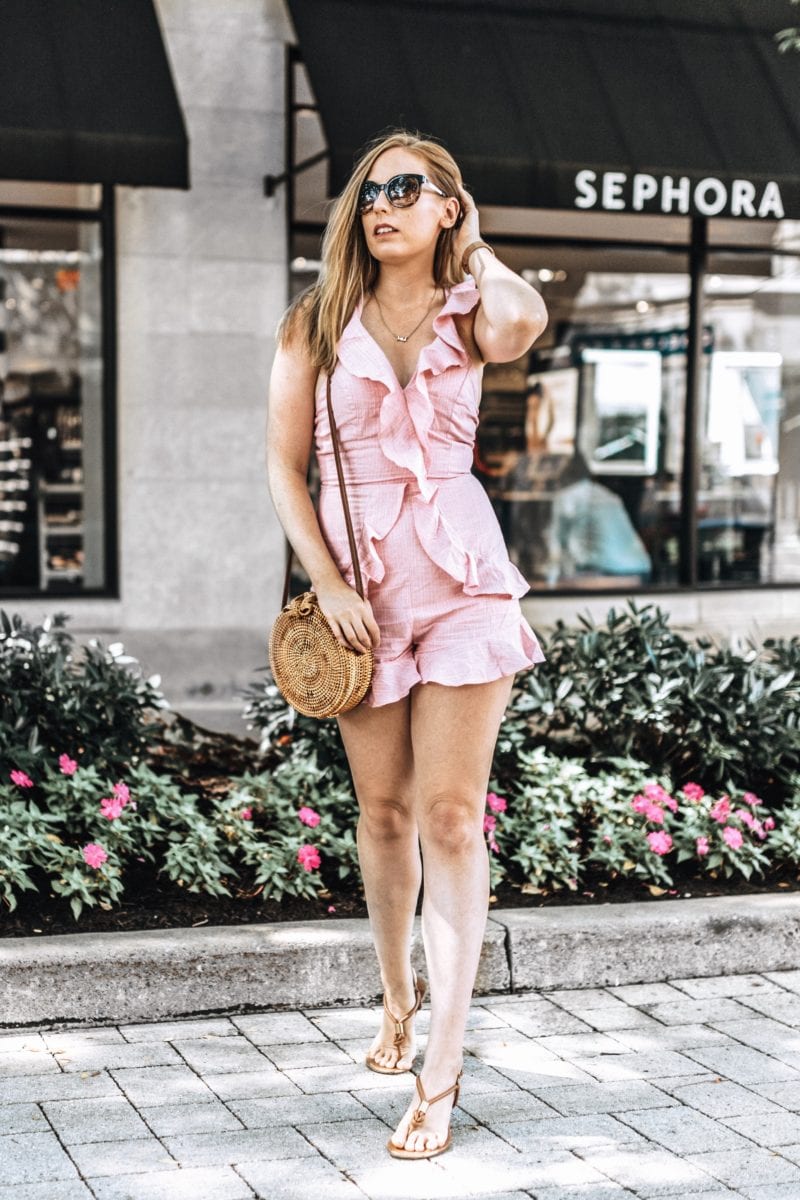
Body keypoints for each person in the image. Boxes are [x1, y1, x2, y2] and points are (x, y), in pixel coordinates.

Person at [266, 130, 548, 1160]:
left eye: (406, 190)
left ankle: (441, 1068)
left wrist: (473, 248)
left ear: (444, 207)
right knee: (383, 816)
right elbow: (282, 469)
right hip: (362, 599)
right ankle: (394, 996)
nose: (380, 204)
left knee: (449, 818)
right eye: (368, 190)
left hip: (462, 584)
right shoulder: (317, 318)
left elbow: (526, 322)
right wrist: (327, 582)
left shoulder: (473, 310)